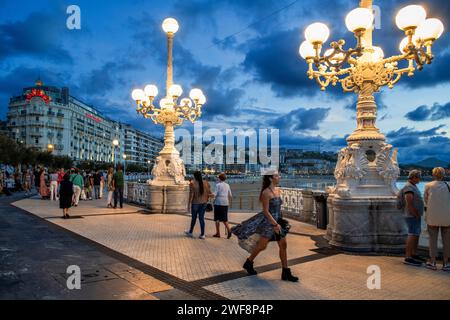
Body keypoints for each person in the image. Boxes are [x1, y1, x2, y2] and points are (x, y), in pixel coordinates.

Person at [231, 170, 299, 282]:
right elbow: (266, 211)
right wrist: (275, 224)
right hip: (269, 223)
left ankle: (285, 272)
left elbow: (278, 208)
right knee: (262, 246)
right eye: (277, 175)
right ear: (270, 178)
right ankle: (249, 262)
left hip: (278, 221)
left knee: (283, 245)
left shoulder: (278, 190)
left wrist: (280, 223)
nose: (279, 177)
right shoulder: (266, 193)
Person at [424, 167, 450, 271]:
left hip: (432, 217)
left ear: (433, 174)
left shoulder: (428, 185)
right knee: (447, 241)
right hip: (447, 217)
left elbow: (426, 200)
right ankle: (446, 263)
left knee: (432, 240)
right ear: (443, 175)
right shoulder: (448, 185)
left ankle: (433, 262)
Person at [400, 170, 425, 266]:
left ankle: (413, 254)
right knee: (412, 234)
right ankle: (408, 257)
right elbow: (409, 203)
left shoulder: (412, 186)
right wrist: (415, 213)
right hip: (411, 215)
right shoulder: (408, 187)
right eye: (418, 177)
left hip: (414, 215)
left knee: (415, 234)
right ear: (413, 177)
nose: (420, 179)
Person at [185, 171, 212, 239]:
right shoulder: (206, 183)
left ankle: (190, 232)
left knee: (193, 218)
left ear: (195, 176)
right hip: (204, 203)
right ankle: (202, 234)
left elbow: (191, 195)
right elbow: (210, 193)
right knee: (201, 218)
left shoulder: (192, 183)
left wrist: (188, 205)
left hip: (195, 203)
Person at [212, 173, 233, 239]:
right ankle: (229, 230)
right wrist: (228, 201)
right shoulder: (227, 185)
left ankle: (218, 233)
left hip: (218, 202)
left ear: (219, 178)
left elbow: (214, 195)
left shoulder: (218, 185)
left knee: (217, 219)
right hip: (225, 202)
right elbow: (230, 195)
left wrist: (209, 194)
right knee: (224, 218)